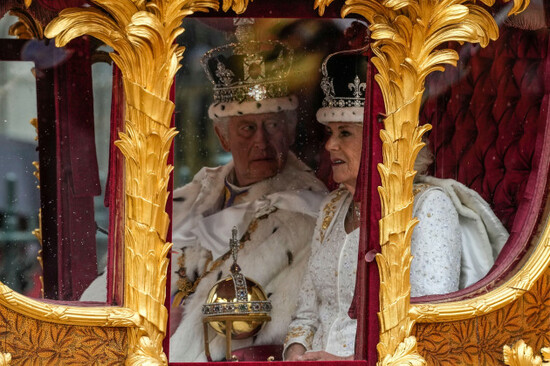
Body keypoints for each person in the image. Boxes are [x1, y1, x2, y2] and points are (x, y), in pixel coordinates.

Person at [283, 46, 509, 361]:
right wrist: (295, 353)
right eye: (330, 132)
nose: (330, 145)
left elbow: (427, 329)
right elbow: (307, 314)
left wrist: (347, 363)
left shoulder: (429, 207)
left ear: (381, 138)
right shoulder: (332, 207)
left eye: (345, 133)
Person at [169, 23, 328, 362]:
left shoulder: (309, 211)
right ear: (222, 136)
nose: (262, 141)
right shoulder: (194, 195)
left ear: (289, 131)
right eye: (247, 128)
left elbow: (281, 324)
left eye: (272, 125)